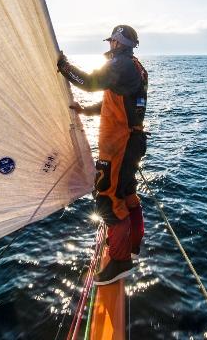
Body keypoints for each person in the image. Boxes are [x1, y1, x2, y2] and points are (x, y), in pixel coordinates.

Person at [57, 25, 148, 285]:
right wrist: (87, 111)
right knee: (127, 193)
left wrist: (63, 66)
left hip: (119, 146)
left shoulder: (121, 65)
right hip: (130, 142)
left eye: (112, 42)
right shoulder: (134, 67)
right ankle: (131, 245)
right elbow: (117, 103)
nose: (110, 46)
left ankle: (120, 262)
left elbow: (91, 82)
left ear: (117, 44)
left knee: (108, 199)